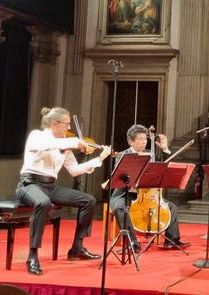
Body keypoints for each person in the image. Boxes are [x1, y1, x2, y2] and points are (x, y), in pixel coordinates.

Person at [15, 107, 112, 276]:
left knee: (88, 200)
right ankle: (32, 256)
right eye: (66, 125)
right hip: (29, 184)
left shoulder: (65, 144)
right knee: (43, 202)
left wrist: (99, 159)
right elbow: (49, 145)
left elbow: (74, 170)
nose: (69, 128)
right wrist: (74, 142)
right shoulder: (38, 136)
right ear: (54, 124)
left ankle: (77, 248)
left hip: (50, 186)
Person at [109, 124, 189, 252]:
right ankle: (132, 243)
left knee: (172, 207)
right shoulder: (122, 155)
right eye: (140, 139)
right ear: (131, 141)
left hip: (148, 195)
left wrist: (165, 149)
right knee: (119, 208)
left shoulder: (149, 154)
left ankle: (172, 240)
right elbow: (119, 177)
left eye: (145, 139)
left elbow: (164, 166)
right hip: (126, 193)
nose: (144, 142)